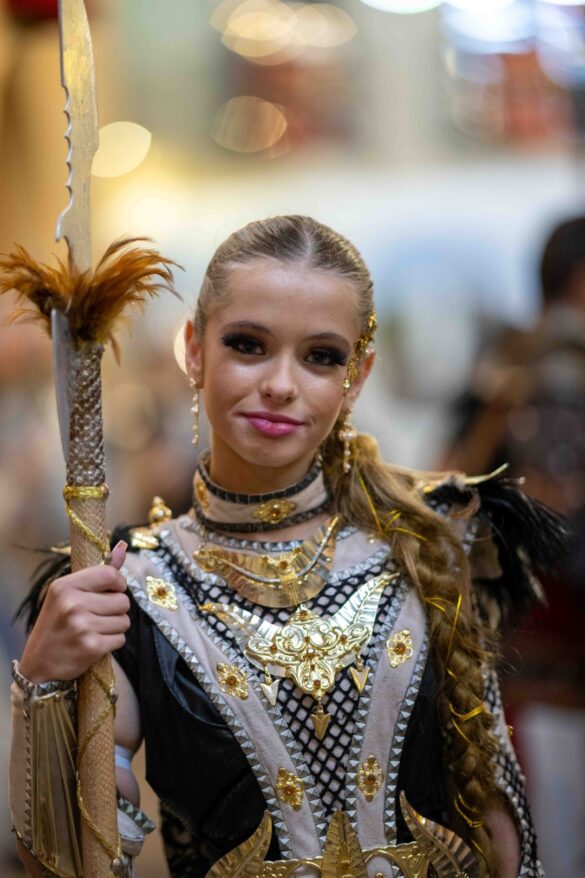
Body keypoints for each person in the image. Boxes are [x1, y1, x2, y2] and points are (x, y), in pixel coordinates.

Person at [9, 216, 566, 878]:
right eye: (248, 345)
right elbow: (75, 865)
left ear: (356, 377)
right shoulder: (128, 586)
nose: (280, 384)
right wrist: (41, 684)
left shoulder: (433, 546)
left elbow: (499, 826)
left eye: (320, 357)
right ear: (194, 350)